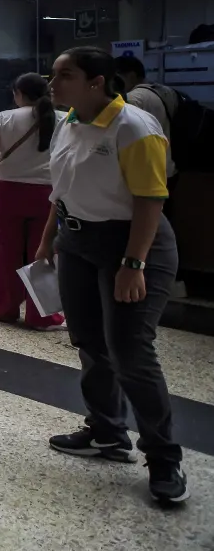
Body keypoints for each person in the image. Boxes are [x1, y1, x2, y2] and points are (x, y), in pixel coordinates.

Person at [38, 47, 187, 505]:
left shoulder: (134, 127)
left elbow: (150, 200)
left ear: (97, 82)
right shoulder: (69, 122)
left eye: (65, 75)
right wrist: (48, 241)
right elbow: (60, 192)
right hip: (77, 242)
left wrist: (134, 263)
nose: (53, 82)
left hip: (132, 244)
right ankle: (106, 431)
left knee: (130, 352)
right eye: (53, 74)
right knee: (88, 340)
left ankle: (163, 458)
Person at [0, 73, 65, 329]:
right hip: (48, 194)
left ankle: (6, 309)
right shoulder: (64, 119)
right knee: (43, 253)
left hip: (8, 192)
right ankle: (43, 316)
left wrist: (2, 163)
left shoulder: (4, 118)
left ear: (18, 94)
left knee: (6, 253)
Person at [113, 55, 178, 183]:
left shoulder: (134, 98)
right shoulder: (163, 90)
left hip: (148, 174)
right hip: (168, 167)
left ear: (131, 76)